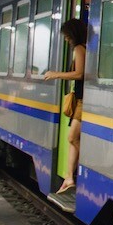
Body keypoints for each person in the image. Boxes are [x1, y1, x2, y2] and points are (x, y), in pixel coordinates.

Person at [40, 18, 86, 194]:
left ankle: (89, 167)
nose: (66, 40)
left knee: (72, 137)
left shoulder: (79, 49)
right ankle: (68, 177)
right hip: (80, 101)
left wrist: (56, 74)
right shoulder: (83, 48)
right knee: (74, 140)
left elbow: (80, 73)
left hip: (83, 102)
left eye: (67, 36)